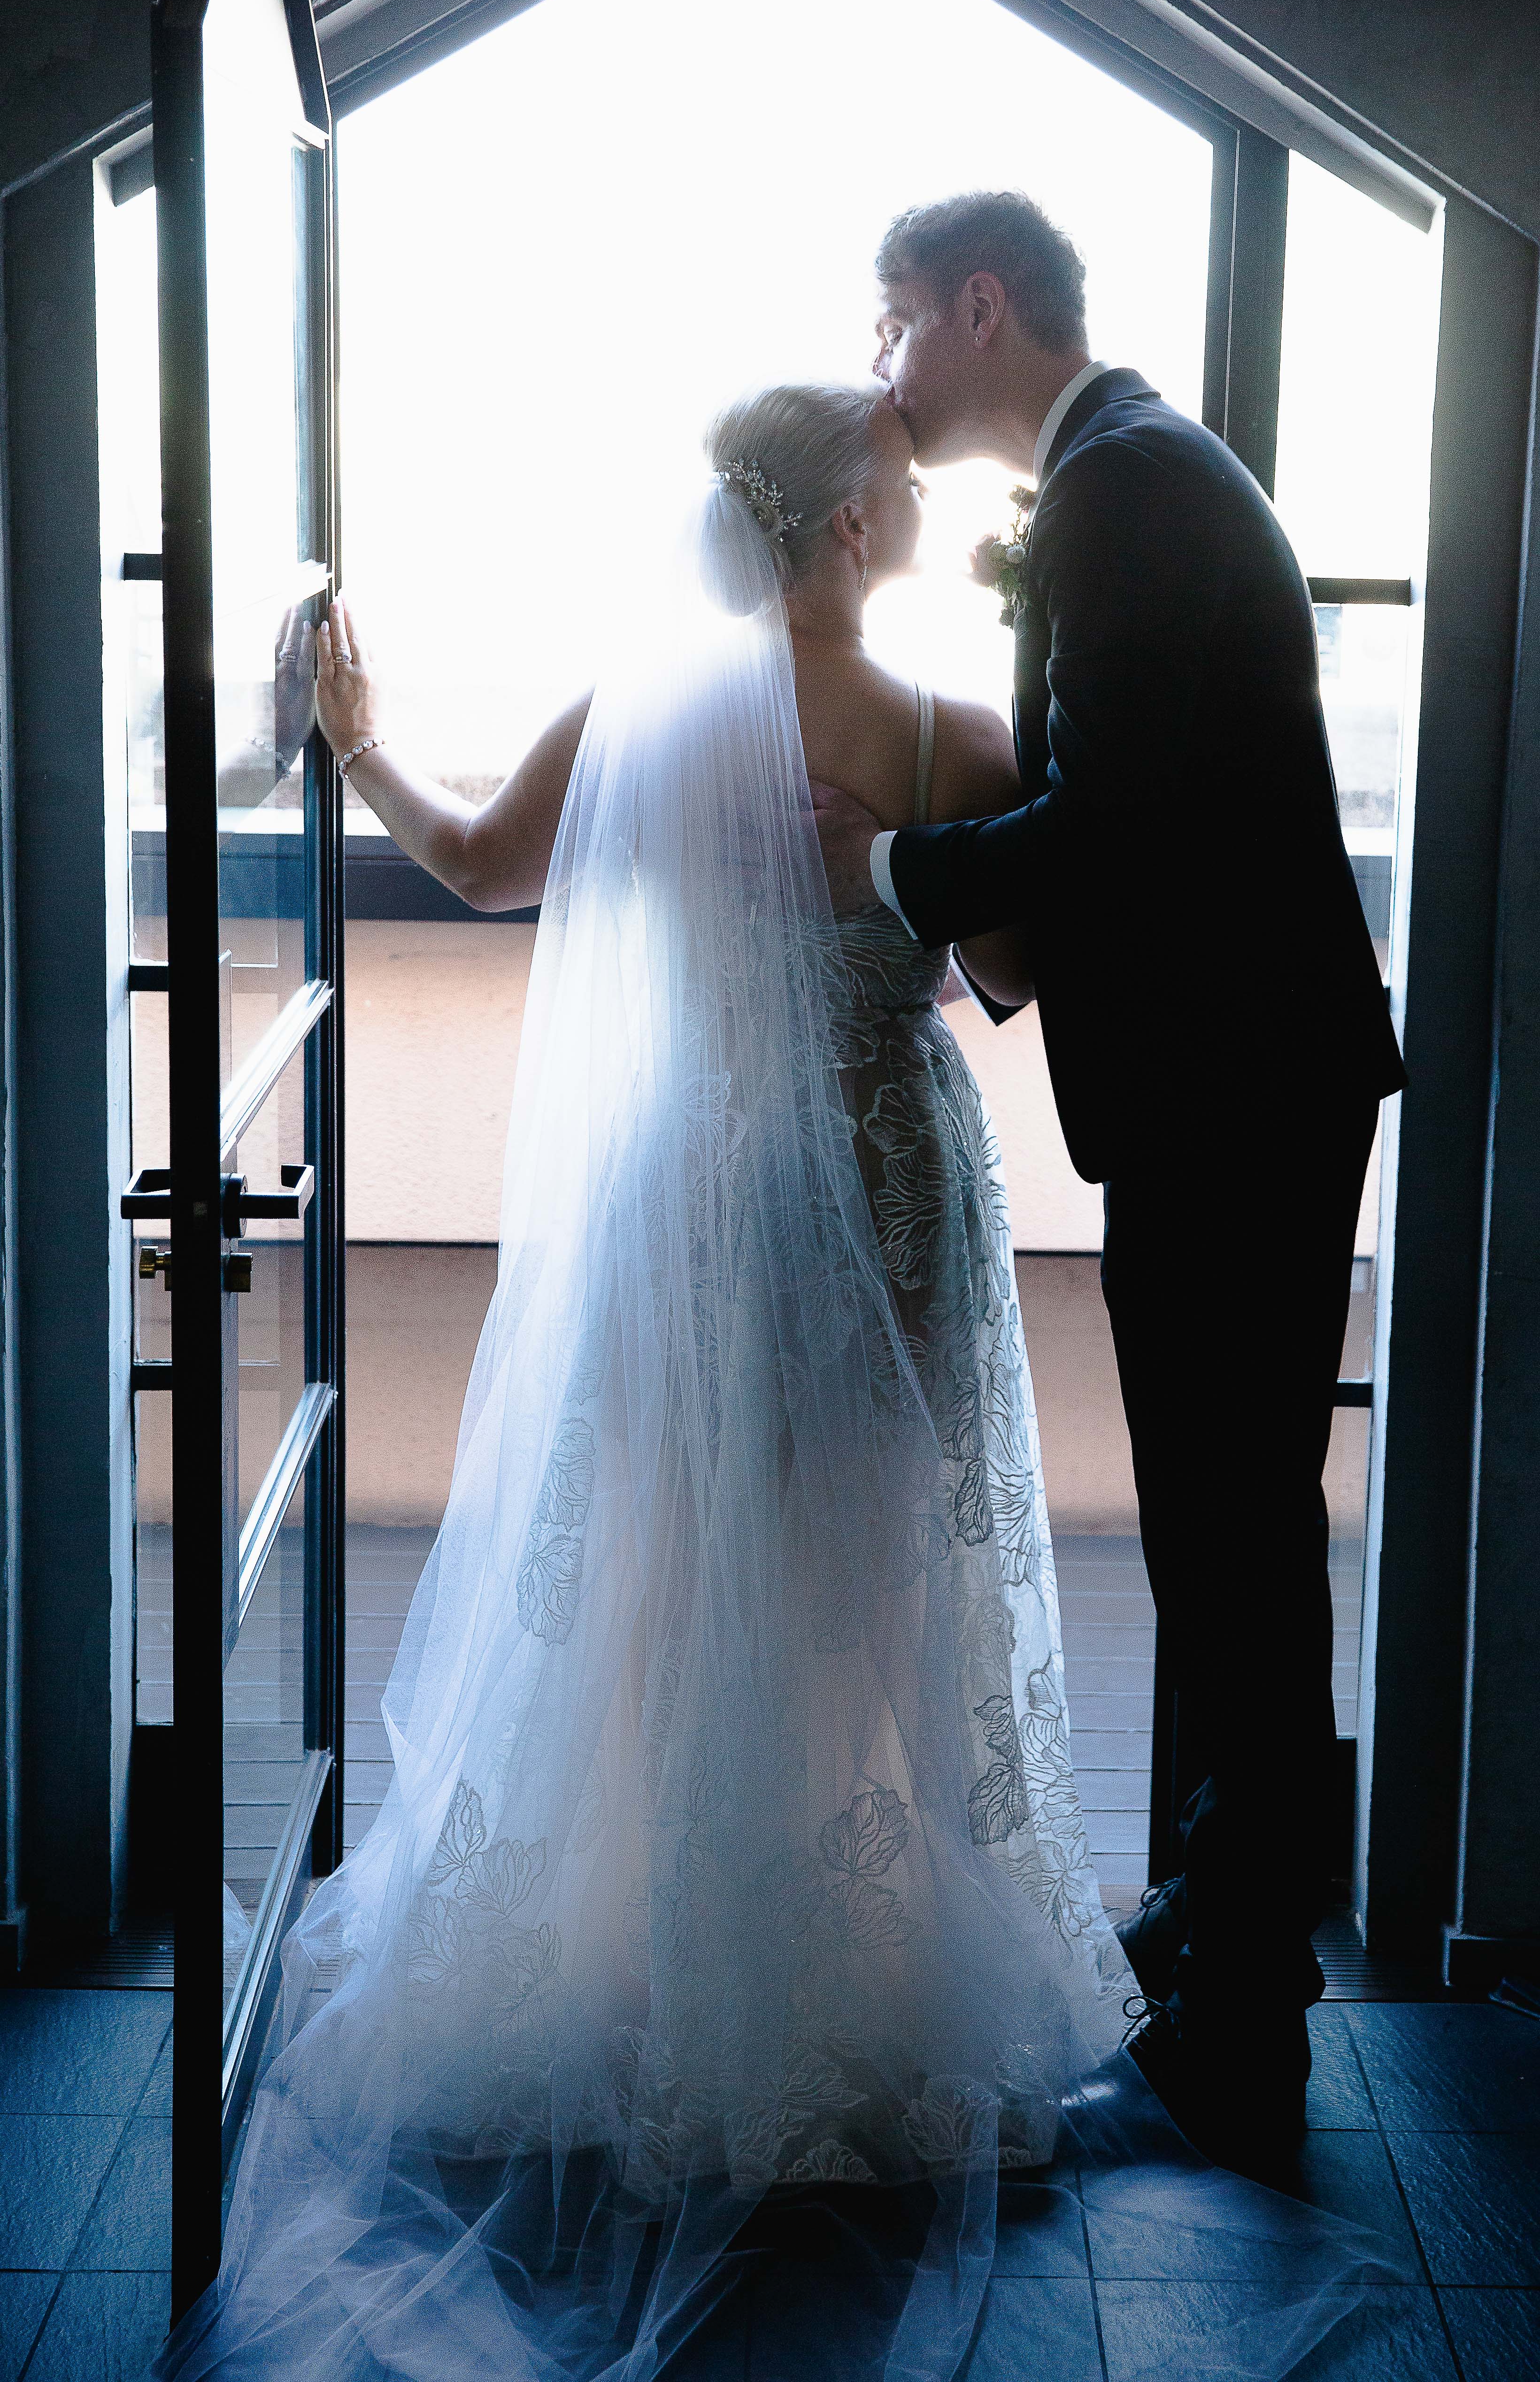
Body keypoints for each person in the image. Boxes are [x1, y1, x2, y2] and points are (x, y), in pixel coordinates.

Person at [151, 381, 1391, 2382]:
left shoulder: (646, 713)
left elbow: (476, 864)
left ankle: (675, 1973)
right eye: (897, 485)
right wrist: (921, 867)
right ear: (848, 533)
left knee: (674, 1570)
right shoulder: (946, 735)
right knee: (869, 1581)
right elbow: (1016, 967)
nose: (921, 503)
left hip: (697, 1190)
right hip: (890, 1192)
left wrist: (354, 737)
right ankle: (846, 1977)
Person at [811, 193, 1407, 2159]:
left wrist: (890, 872)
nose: (885, 360)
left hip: (1237, 1096)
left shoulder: (1125, 492)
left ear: (980, 308)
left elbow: (1116, 819)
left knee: (1235, 1541)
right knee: (1231, 1530)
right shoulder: (1131, 470)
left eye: (896, 319)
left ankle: (1251, 2008)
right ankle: (1222, 1911)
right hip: (1241, 1088)